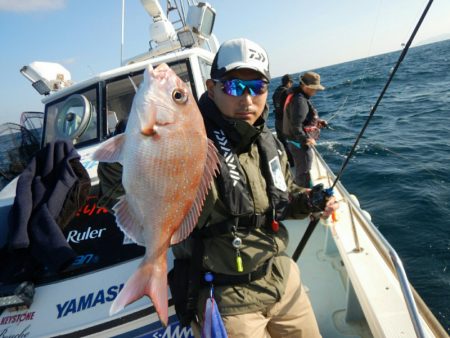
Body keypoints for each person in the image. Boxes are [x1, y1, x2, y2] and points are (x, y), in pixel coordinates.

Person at [171, 38, 338, 338]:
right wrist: (136, 142)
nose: (247, 100)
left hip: (284, 282)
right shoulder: (189, 144)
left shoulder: (268, 141)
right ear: (212, 88)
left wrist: (310, 201)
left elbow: (284, 197)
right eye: (235, 87)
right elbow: (125, 189)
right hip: (228, 301)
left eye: (257, 88)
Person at [282, 72, 328, 188]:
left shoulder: (296, 95)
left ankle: (300, 190)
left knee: (300, 168)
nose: (315, 91)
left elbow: (298, 119)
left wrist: (317, 122)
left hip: (293, 141)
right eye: (314, 88)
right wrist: (306, 140)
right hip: (299, 143)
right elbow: (296, 126)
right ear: (305, 86)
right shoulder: (300, 101)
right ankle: (304, 196)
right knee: (304, 171)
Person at [272, 74, 294, 166]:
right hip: (285, 122)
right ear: (289, 82)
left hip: (277, 121)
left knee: (282, 142)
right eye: (291, 83)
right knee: (292, 141)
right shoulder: (287, 92)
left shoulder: (276, 91)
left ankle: (289, 162)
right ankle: (294, 162)